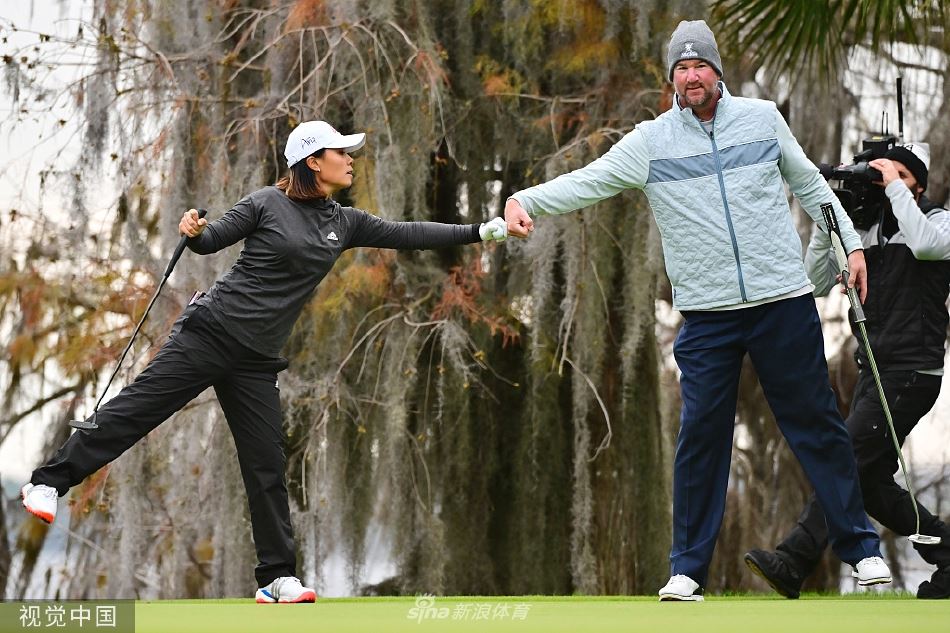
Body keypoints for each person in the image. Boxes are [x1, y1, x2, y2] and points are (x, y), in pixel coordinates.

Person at [21, 120, 509, 603]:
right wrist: (194, 229)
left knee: (266, 467)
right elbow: (210, 240)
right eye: (341, 152)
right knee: (134, 412)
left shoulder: (344, 222)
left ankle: (276, 577)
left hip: (256, 362)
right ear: (313, 161)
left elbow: (408, 232)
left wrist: (481, 231)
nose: (350, 159)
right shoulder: (266, 203)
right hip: (209, 334)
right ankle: (47, 483)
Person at [504, 19, 890, 601]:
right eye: (681, 68)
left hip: (782, 302)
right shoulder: (651, 142)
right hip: (708, 315)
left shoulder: (762, 120)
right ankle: (687, 570)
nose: (691, 76)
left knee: (816, 425)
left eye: (700, 66)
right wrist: (525, 199)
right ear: (672, 78)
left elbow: (814, 188)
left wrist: (851, 247)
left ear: (717, 72)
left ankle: (862, 551)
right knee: (701, 438)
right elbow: (590, 180)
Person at [744, 142, 950, 600]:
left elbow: (926, 245)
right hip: (873, 370)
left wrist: (894, 187)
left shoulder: (936, 221)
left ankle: (794, 559)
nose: (884, 184)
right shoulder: (865, 231)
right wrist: (830, 224)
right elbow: (814, 282)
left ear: (917, 185)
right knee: (870, 484)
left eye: (898, 176)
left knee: (844, 460)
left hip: (913, 372)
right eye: (881, 176)